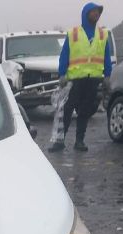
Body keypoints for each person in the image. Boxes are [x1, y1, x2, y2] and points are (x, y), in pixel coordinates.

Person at [48, 3, 113, 153]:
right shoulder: (73, 33)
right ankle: (59, 141)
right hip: (75, 79)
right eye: (93, 12)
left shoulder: (102, 34)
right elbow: (65, 54)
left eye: (98, 12)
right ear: (86, 14)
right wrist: (62, 73)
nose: (96, 14)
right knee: (67, 110)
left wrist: (107, 75)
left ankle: (79, 141)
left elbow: (106, 57)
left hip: (93, 80)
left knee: (84, 112)